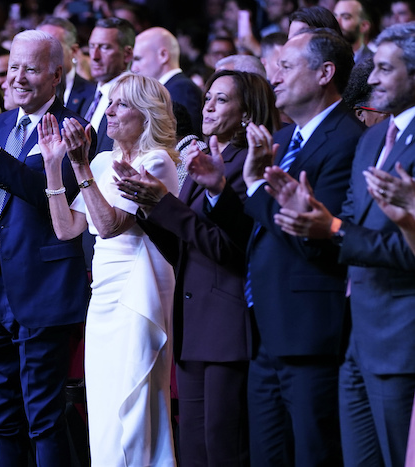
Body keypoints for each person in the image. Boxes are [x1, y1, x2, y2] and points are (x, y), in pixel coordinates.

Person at [264, 22, 415, 466]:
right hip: (358, 338)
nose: (371, 80)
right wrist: (308, 209)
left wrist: (331, 229)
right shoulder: (373, 138)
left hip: (401, 336)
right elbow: (349, 221)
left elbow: (407, 248)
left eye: (386, 69)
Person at [0, 30, 93, 466]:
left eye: (31, 67)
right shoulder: (0, 124)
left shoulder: (73, 129)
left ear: (56, 75)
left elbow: (47, 193)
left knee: (43, 418)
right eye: (13, 67)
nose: (19, 77)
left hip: (42, 289)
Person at [214, 28, 364, 465]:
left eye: (285, 66)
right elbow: (256, 231)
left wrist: (256, 185)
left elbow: (314, 238)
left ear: (325, 73)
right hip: (264, 329)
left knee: (314, 456)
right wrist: (226, 192)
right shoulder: (278, 141)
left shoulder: (347, 140)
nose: (272, 76)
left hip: (311, 332)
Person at [115, 70, 280, 466]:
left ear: (246, 114)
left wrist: (164, 205)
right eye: (207, 96)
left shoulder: (245, 165)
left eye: (221, 99)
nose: (207, 105)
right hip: (192, 325)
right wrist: (148, 207)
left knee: (223, 448)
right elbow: (183, 248)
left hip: (226, 325)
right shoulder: (200, 161)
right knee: (192, 449)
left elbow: (228, 247)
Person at [38, 72, 177, 466]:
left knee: (133, 405)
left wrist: (80, 167)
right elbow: (67, 229)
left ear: (147, 115)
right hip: (103, 295)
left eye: (122, 104)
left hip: (139, 289)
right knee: (102, 406)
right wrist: (54, 165)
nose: (110, 111)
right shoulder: (101, 160)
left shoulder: (157, 162)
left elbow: (112, 225)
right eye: (110, 102)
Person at [131, 26, 203, 135]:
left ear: (163, 55)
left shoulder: (182, 89)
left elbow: (185, 142)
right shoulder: (171, 88)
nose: (133, 68)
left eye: (138, 59)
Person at [84, 17, 136, 154]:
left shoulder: (136, 99)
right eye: (91, 46)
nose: (94, 56)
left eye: (105, 47)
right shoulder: (88, 96)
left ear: (127, 54)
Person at [37, 16, 96, 116]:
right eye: (39, 47)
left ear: (73, 51)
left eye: (51, 47)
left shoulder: (92, 94)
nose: (43, 54)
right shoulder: (26, 89)